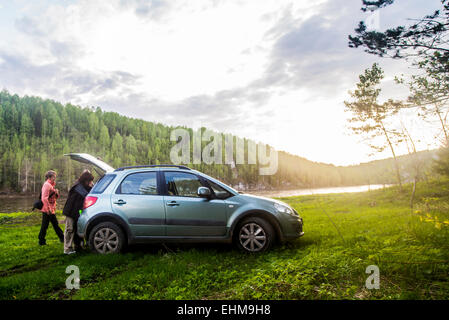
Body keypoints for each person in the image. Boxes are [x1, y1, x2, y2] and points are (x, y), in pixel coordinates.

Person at [63, 170, 94, 254]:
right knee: (70, 230)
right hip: (71, 211)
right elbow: (86, 194)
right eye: (90, 181)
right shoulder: (78, 187)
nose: (90, 182)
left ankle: (77, 246)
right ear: (85, 180)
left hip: (76, 211)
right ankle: (67, 249)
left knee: (75, 229)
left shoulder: (81, 186)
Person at [38, 170, 64, 245]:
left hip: (51, 209)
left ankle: (62, 238)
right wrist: (48, 209)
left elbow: (53, 197)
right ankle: (41, 241)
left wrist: (56, 193)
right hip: (48, 210)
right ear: (49, 177)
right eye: (54, 177)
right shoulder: (47, 185)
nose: (55, 178)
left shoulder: (51, 185)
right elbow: (44, 198)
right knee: (46, 226)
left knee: (54, 225)